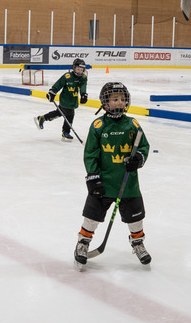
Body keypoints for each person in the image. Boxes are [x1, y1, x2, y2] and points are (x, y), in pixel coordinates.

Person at [74, 82, 151, 269]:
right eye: (114, 99)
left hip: (128, 183)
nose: (119, 103)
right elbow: (90, 153)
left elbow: (143, 146)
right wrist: (93, 176)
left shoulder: (132, 124)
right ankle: (83, 243)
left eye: (122, 99)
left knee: (135, 219)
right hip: (103, 182)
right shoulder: (98, 125)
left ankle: (138, 243)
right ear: (105, 102)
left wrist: (139, 158)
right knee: (92, 216)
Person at [35, 58, 88, 141]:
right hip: (65, 99)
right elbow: (58, 84)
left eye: (81, 70)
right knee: (69, 114)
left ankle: (43, 118)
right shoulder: (67, 76)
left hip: (73, 100)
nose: (79, 71)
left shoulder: (83, 77)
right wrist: (52, 92)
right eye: (78, 69)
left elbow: (83, 86)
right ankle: (66, 132)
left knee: (59, 112)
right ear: (74, 68)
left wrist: (83, 94)